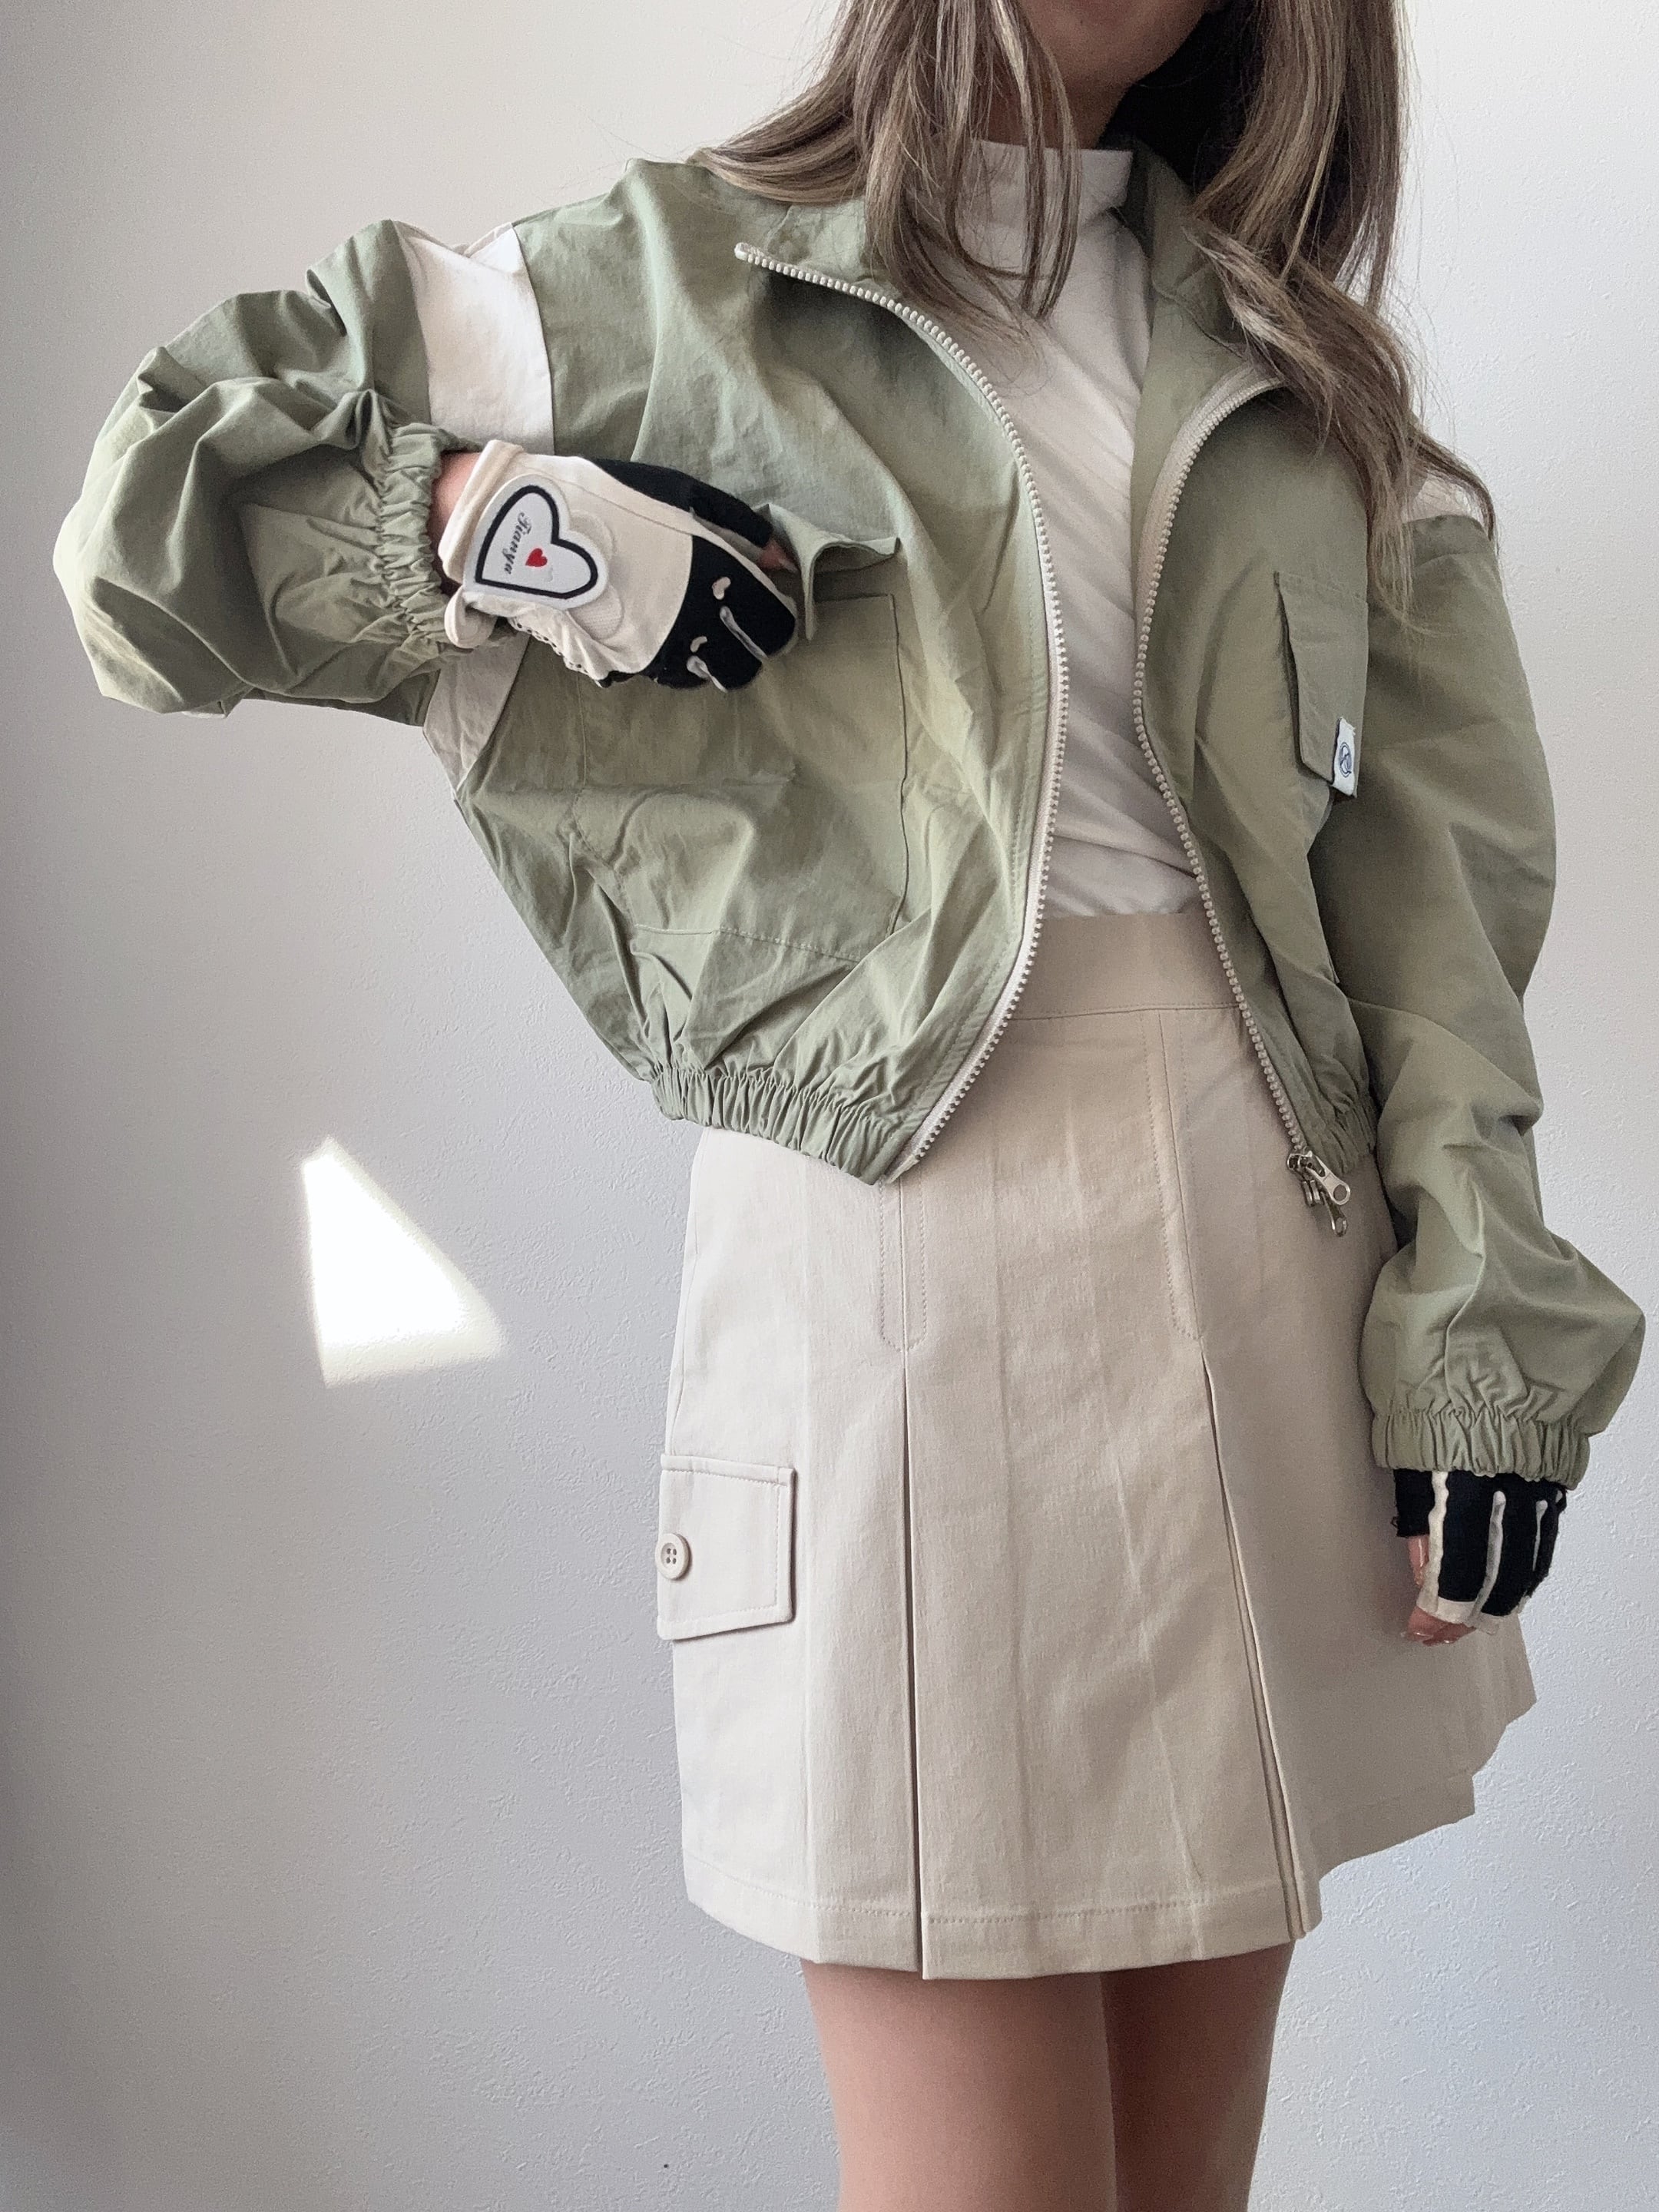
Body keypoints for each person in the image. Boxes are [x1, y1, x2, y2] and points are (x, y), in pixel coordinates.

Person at [51, 0, 1647, 2204]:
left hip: (1268, 1252)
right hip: (897, 1290)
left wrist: (1480, 1319)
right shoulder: (637, 289)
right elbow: (143, 547)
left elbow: (1432, 927)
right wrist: (489, 517)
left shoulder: (1303, 385)